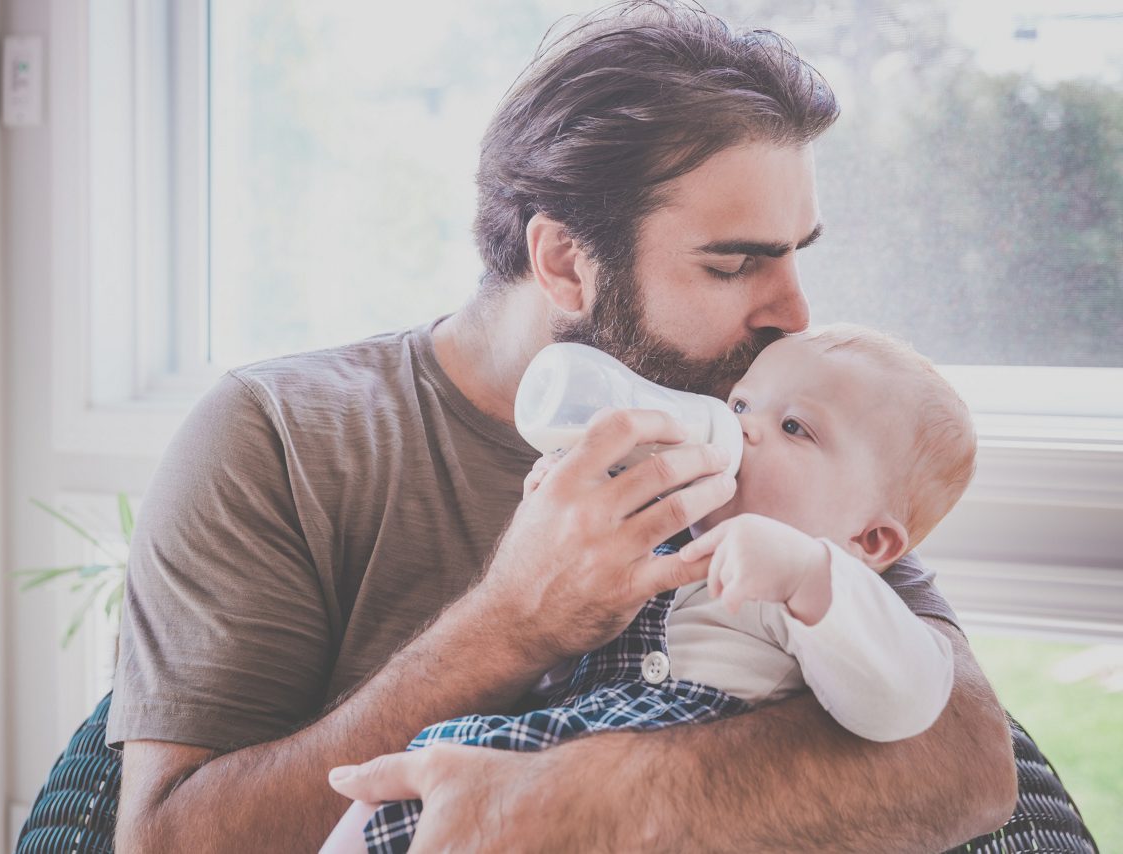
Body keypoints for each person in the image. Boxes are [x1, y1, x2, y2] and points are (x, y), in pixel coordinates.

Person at [110, 4, 1017, 851]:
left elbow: (965, 759)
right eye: (735, 264)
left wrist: (582, 799)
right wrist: (512, 625)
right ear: (563, 262)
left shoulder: (774, 436)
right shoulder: (283, 437)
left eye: (793, 255)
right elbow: (167, 838)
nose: (794, 312)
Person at [322, 323, 975, 852]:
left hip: (665, 766)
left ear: (871, 542)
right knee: (392, 794)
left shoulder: (806, 586)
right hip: (554, 738)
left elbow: (907, 703)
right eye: (742, 404)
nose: (742, 428)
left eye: (795, 428)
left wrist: (808, 571)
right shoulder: (666, 520)